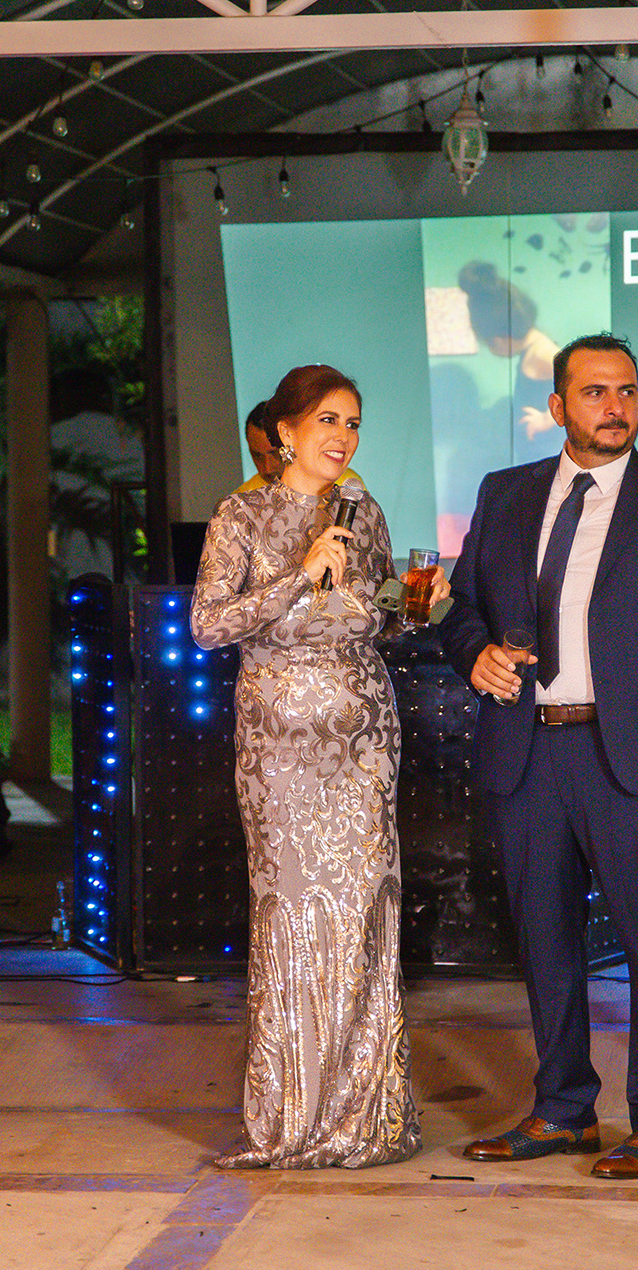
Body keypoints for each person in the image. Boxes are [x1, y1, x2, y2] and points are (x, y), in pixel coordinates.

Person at [438, 333, 638, 1180]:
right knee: (545, 939)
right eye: (595, 392)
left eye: (627, 391)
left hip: (633, 753)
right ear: (558, 406)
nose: (615, 407)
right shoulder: (506, 493)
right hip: (527, 749)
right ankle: (563, 1111)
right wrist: (475, 653)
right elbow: (463, 608)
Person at [191, 363, 445, 1169]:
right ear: (287, 431)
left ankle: (363, 1116)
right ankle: (290, 1117)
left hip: (364, 740)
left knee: (365, 908)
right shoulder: (241, 515)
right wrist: (298, 574)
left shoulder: (362, 511)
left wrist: (416, 605)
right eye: (329, 420)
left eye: (354, 423)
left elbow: (376, 616)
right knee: (295, 915)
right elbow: (209, 625)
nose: (343, 437)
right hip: (281, 747)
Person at [458, 261, 561, 443]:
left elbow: (587, 383)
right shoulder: (532, 349)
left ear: (497, 339)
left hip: (547, 452)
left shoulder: (541, 352)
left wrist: (547, 419)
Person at [237, 399, 363, 494]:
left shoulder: (346, 485)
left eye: (275, 454)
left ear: (289, 437)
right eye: (258, 456)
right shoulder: (242, 502)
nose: (268, 468)